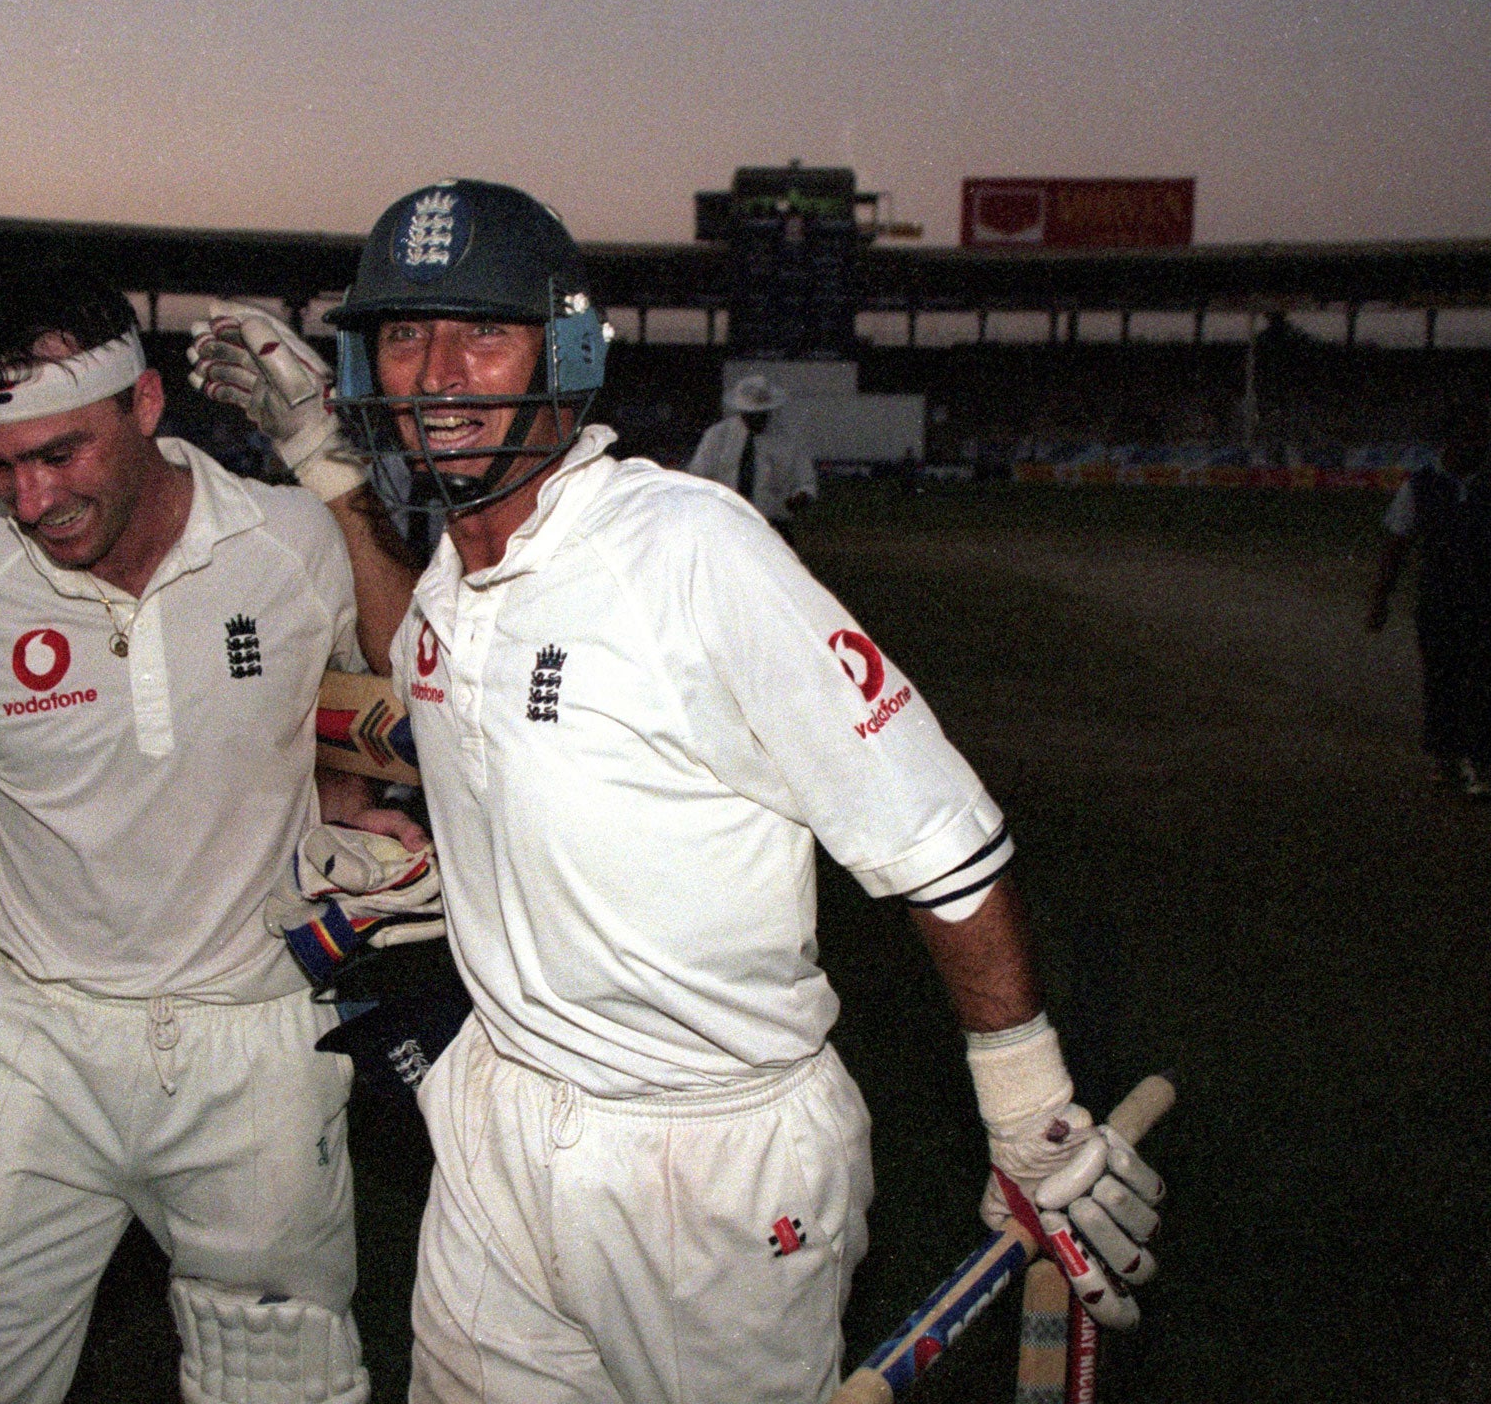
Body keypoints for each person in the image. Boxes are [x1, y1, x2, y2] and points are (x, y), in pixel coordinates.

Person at [194, 181, 1166, 1404]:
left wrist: (1027, 1109)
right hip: (496, 1121)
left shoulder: (690, 547)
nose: (436, 373)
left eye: (479, 334)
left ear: (567, 350)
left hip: (707, 1158)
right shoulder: (455, 566)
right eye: (403, 335)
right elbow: (420, 674)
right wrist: (326, 472)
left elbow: (937, 839)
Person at [0, 268, 419, 1404]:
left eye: (60, 455)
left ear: (143, 406)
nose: (30, 500)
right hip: (35, 1034)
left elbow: (415, 671)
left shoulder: (284, 541)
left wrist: (329, 465)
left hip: (257, 1037)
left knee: (276, 1379)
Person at [1367, 399, 1491, 797]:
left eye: (1481, 434)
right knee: (1444, 681)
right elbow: (1397, 544)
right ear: (1450, 439)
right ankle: (1445, 755)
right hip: (1441, 600)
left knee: (1489, 682)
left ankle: (1480, 760)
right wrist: (1380, 599)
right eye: (1468, 434)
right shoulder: (1421, 485)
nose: (1477, 442)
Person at [685, 370, 817, 536]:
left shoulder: (789, 439)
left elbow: (806, 482)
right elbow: (698, 477)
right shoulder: (718, 436)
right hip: (725, 522)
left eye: (761, 414)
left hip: (772, 525)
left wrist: (799, 498)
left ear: (770, 410)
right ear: (741, 411)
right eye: (751, 415)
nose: (756, 419)